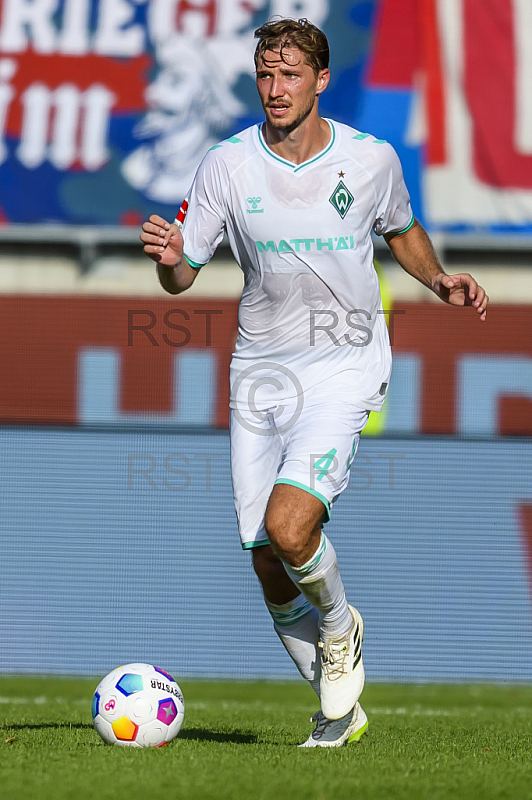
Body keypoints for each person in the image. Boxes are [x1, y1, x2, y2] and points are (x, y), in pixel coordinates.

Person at [141, 18, 489, 748]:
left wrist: (438, 279)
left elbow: (402, 227)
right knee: (267, 558)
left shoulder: (369, 159)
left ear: (321, 80)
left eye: (291, 74)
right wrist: (169, 258)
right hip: (262, 371)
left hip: (346, 361)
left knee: (290, 525)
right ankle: (340, 709)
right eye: (266, 74)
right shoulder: (226, 165)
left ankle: (339, 628)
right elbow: (181, 276)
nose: (275, 89)